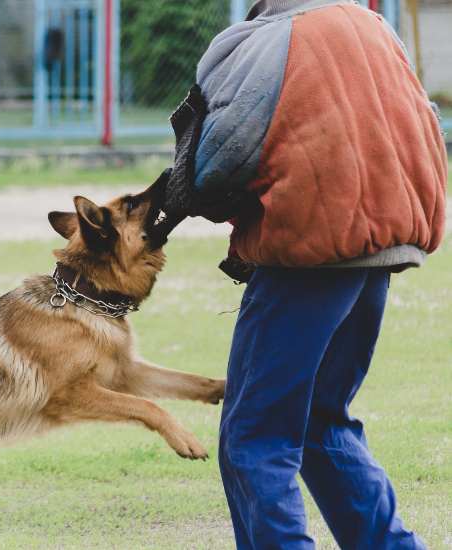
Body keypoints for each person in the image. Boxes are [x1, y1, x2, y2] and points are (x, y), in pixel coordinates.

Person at [161, 0, 447, 548]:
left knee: (255, 436)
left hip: (307, 255)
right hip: (382, 249)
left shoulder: (262, 40)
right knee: (323, 422)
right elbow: (424, 124)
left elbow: (219, 157)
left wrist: (193, 201)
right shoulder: (375, 27)